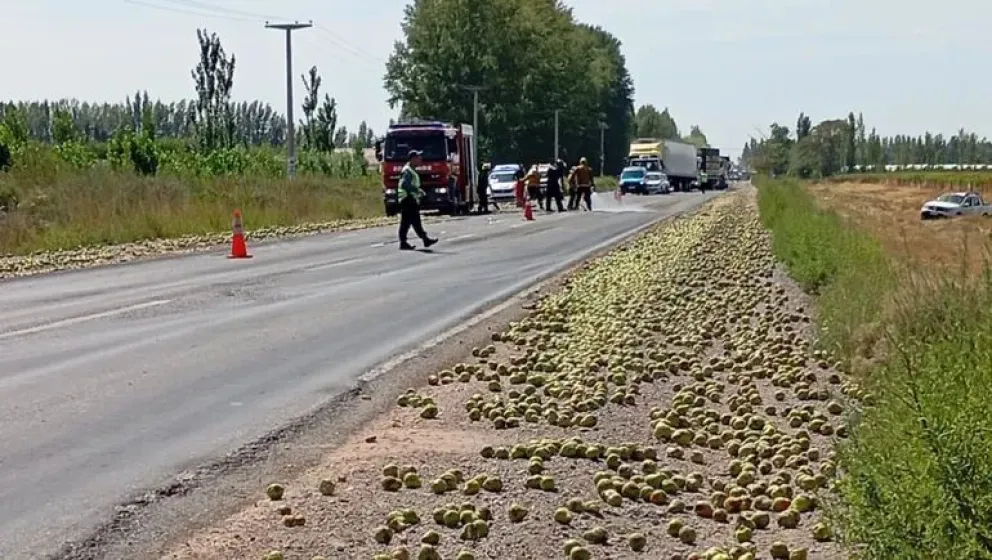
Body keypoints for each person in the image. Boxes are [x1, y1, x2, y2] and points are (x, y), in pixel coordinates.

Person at [397, 150, 438, 250]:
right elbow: (404, 184)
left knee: (406, 222)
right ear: (413, 159)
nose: (420, 159)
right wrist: (417, 190)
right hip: (408, 199)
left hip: (408, 199)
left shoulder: (411, 169)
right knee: (415, 220)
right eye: (418, 157)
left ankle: (404, 242)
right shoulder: (407, 171)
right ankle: (425, 239)